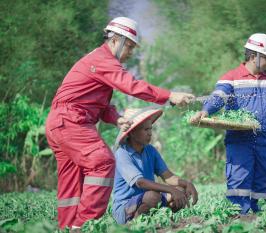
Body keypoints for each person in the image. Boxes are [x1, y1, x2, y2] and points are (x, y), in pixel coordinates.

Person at [45, 16, 194, 230]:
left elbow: (101, 106)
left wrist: (117, 119)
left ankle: (68, 228)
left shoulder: (98, 62)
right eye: (130, 47)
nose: (131, 53)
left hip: (60, 123)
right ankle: (85, 226)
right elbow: (131, 85)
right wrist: (169, 96)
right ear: (116, 40)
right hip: (71, 121)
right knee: (103, 161)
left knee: (72, 182)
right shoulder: (104, 59)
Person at [191, 33, 266, 214]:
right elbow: (218, 97)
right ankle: (238, 219)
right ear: (254, 56)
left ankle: (263, 220)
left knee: (264, 181)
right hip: (240, 140)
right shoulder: (231, 78)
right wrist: (205, 111)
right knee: (239, 181)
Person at [112, 107, 198, 224]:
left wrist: (187, 184)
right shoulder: (122, 153)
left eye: (150, 129)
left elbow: (168, 176)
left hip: (147, 200)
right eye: (145, 129)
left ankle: (159, 222)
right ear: (132, 132)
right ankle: (134, 226)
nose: (150, 133)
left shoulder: (150, 150)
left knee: (181, 191)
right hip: (125, 209)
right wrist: (171, 190)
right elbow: (140, 182)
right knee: (154, 196)